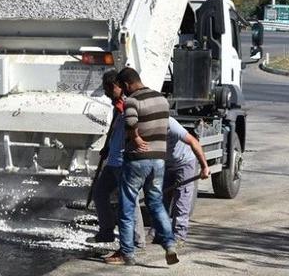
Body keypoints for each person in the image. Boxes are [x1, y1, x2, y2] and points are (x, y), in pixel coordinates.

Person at [104, 67, 202, 266]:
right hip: (159, 161)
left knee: (127, 206)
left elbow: (131, 122)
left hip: (137, 160)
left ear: (126, 84)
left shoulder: (132, 100)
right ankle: (169, 245)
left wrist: (137, 138)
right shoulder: (161, 99)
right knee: (156, 204)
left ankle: (127, 253)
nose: (124, 92)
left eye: (123, 88)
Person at [88, 70, 145, 247]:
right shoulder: (117, 106)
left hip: (125, 162)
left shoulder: (130, 105)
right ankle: (106, 232)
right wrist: (107, 147)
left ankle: (137, 241)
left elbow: (135, 130)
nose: (105, 93)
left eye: (108, 89)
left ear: (118, 87)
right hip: (113, 160)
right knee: (99, 193)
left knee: (130, 201)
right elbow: (114, 129)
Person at [157, 115, 211, 249]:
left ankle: (179, 236)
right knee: (161, 198)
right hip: (165, 162)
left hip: (184, 162)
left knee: (181, 199)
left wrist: (204, 167)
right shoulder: (148, 123)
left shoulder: (170, 123)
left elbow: (194, 142)